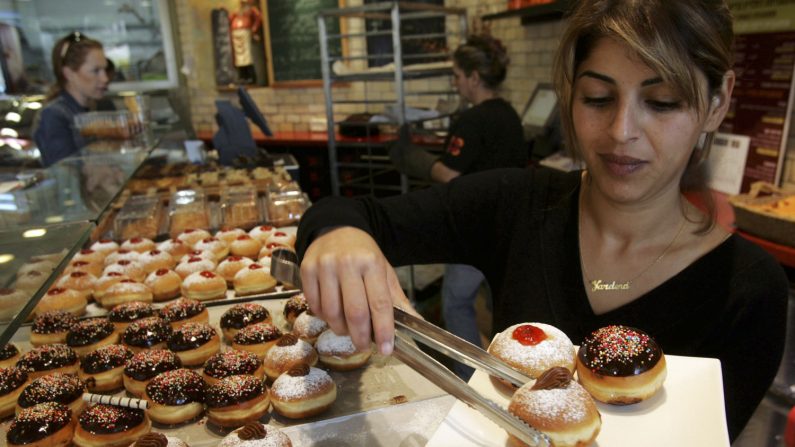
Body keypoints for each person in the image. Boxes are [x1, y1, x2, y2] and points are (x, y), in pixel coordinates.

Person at [296, 0, 790, 441]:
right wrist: (339, 234)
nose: (622, 131)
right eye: (598, 98)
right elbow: (350, 213)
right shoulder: (516, 202)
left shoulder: (747, 291)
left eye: (662, 103)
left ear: (718, 102)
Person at [390, 34, 527, 379]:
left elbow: (452, 175)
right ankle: (514, 373)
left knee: (456, 301)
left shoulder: (472, 120)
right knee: (501, 305)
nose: (455, 82)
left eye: (457, 75)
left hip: (476, 227)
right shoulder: (510, 114)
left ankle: (472, 378)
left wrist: (416, 160)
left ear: (474, 77)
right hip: (510, 223)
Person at [32, 31, 109, 166]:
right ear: (69, 73)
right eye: (95, 71)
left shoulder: (96, 107)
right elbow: (65, 171)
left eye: (105, 70)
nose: (105, 78)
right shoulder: (54, 115)